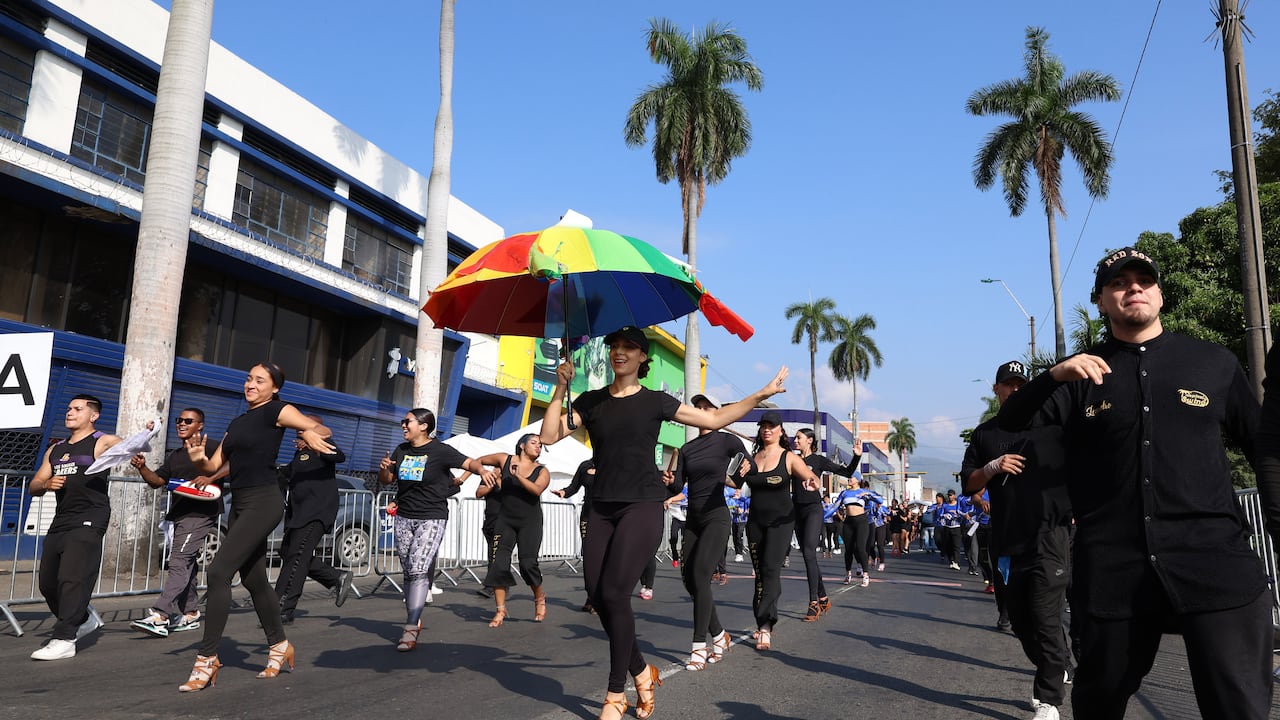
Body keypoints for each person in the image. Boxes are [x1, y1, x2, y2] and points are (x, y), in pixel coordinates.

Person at [997, 247, 1275, 719]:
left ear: (1160, 294)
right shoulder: (1080, 373)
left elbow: (1264, 446)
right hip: (1114, 566)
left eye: (1144, 281)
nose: (1134, 289)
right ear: (1102, 300)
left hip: (1214, 558)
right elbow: (1010, 421)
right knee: (1099, 702)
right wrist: (1053, 375)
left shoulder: (1212, 362)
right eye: (1119, 283)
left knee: (1238, 706)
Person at [540, 325, 788, 720]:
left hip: (641, 505)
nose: (619, 352)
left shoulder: (655, 402)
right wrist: (559, 387)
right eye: (614, 346)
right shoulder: (589, 401)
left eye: (628, 347)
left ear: (642, 358)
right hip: (601, 506)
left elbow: (720, 416)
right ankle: (642, 670)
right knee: (597, 593)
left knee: (616, 592)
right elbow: (548, 435)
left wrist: (760, 394)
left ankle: (615, 693)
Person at [179, 362, 334, 691]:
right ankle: (279, 645)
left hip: (264, 502)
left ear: (274, 387)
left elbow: (322, 431)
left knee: (219, 572)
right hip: (241, 503)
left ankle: (207, 659)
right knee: (254, 580)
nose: (250, 384)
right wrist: (197, 458)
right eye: (249, 378)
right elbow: (214, 464)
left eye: (259, 380)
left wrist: (307, 432)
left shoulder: (278, 410)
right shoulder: (237, 423)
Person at [963, 359, 1074, 720]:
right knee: (1021, 622)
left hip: (1050, 535)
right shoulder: (984, 434)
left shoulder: (1054, 426)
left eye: (1021, 384)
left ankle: (1048, 698)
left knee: (1045, 616)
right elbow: (969, 484)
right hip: (1007, 539)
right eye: (1008, 385)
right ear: (996, 390)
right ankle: (1054, 661)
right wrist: (992, 467)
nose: (1015, 390)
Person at [379, 407, 496, 652]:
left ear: (423, 426)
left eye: (407, 421)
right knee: (409, 571)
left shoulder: (440, 451)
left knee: (420, 568)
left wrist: (483, 471)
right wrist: (384, 469)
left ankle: (410, 626)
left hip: (432, 516)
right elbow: (388, 481)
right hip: (403, 516)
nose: (403, 425)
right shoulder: (401, 450)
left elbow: (468, 462)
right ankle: (415, 617)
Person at [28, 394, 126, 661]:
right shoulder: (56, 449)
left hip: (90, 517)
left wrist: (146, 435)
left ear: (93, 415)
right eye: (69, 408)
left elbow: (129, 446)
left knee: (72, 578)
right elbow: (34, 484)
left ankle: (65, 638)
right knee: (48, 584)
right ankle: (82, 618)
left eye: (78, 409)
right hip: (62, 520)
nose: (70, 412)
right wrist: (46, 485)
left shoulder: (101, 441)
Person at [130, 408, 226, 637]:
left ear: (200, 425)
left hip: (200, 515)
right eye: (179, 420)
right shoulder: (175, 455)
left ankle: (160, 615)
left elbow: (231, 464)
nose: (181, 424)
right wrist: (143, 468)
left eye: (188, 421)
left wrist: (210, 477)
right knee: (187, 564)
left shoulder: (211, 447)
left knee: (179, 561)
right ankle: (190, 612)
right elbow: (158, 481)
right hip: (179, 515)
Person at [667, 393, 742, 670]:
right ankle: (721, 635)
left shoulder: (727, 440)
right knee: (690, 580)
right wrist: (667, 481)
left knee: (701, 577)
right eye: (696, 407)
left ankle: (699, 646)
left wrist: (737, 476)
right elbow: (677, 487)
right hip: (693, 520)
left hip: (717, 517)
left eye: (706, 407)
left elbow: (747, 468)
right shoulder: (687, 449)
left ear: (716, 411)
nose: (700, 411)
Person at [740, 410, 823, 651]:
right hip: (755, 522)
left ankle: (766, 626)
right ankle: (761, 619)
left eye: (772, 426)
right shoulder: (752, 459)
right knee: (759, 575)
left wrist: (812, 482)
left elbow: (809, 477)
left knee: (770, 569)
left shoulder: (788, 458)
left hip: (781, 522)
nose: (767, 429)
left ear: (780, 430)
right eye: (763, 425)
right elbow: (732, 481)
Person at [274, 415, 354, 623]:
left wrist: (317, 441)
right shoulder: (299, 453)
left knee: (297, 556)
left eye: (303, 428)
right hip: (297, 514)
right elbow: (287, 475)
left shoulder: (323, 445)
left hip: (316, 512)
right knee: (288, 553)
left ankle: (283, 606)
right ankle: (336, 577)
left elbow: (339, 457)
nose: (299, 432)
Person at [476, 433, 550, 627]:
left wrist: (517, 476)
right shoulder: (504, 459)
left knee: (528, 564)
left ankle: (539, 597)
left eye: (541, 445)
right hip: (505, 521)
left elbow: (536, 490)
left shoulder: (542, 470)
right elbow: (478, 460)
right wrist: (485, 473)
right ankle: (500, 610)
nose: (538, 447)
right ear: (522, 445)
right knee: (498, 565)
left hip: (530, 522)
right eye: (534, 443)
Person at [792, 428, 860, 620]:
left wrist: (856, 457)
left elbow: (846, 471)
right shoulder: (792, 460)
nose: (795, 440)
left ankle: (813, 603)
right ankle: (822, 596)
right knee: (808, 557)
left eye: (799, 437)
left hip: (813, 509)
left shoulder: (818, 460)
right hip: (796, 511)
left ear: (809, 440)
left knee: (808, 552)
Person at [552, 459, 594, 613]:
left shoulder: (613, 463)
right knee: (589, 558)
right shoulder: (585, 465)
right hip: (588, 516)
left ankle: (605, 596)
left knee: (605, 558)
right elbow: (574, 487)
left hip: (608, 517)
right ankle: (591, 596)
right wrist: (563, 492)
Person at [832, 479, 881, 587]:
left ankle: (866, 575)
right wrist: (823, 517)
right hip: (848, 522)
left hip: (861, 522)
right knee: (848, 549)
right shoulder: (844, 493)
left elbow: (880, 500)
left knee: (861, 548)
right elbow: (835, 506)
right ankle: (848, 573)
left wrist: (868, 494)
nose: (849, 480)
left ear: (857, 480)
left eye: (851, 478)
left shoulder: (863, 491)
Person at [936, 490, 963, 570]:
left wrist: (956, 514)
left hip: (956, 526)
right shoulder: (945, 505)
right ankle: (951, 560)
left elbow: (961, 514)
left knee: (956, 545)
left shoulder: (958, 504)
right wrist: (945, 515)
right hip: (947, 527)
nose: (950, 497)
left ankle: (956, 562)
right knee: (948, 545)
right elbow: (941, 514)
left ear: (954, 496)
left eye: (951, 495)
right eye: (949, 495)